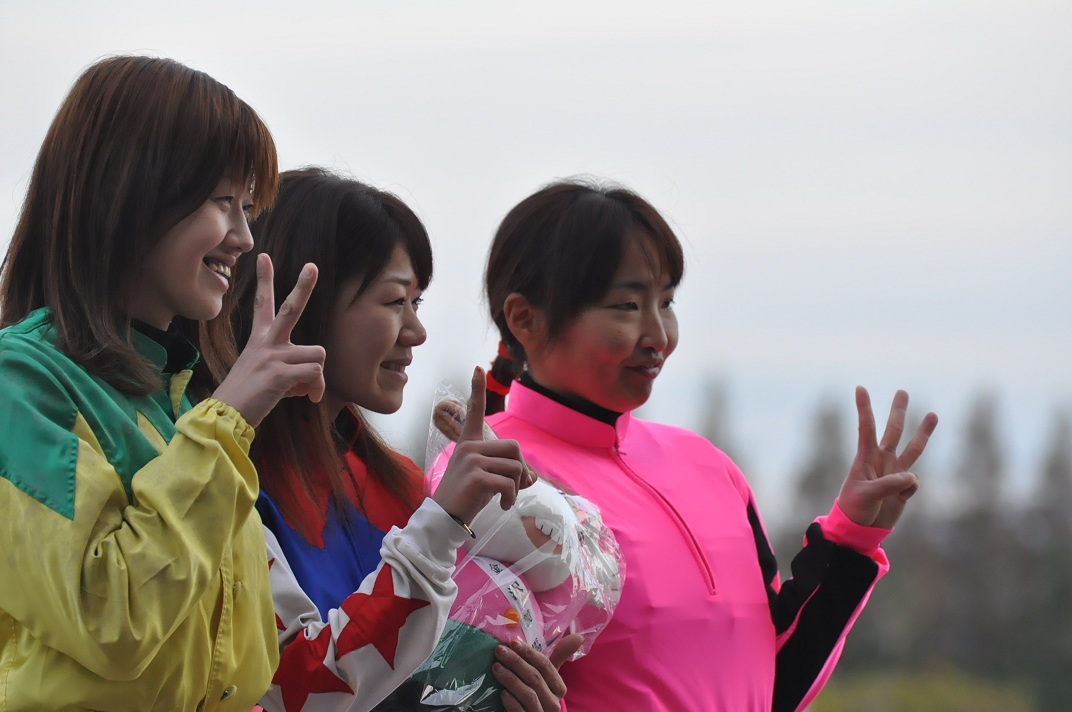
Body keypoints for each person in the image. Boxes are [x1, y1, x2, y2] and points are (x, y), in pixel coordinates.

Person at [459, 178, 940, 712]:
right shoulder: (492, 473)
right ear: (525, 318)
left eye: (666, 302)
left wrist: (852, 537)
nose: (659, 336)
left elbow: (776, 682)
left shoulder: (709, 467)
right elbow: (456, 689)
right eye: (627, 306)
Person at [0, 56, 327, 710]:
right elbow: (111, 616)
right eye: (223, 202)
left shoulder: (182, 402)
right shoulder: (21, 382)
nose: (243, 237)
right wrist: (228, 421)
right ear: (127, 190)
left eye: (249, 208)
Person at [228, 167, 581, 712]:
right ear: (307, 304)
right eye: (396, 302)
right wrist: (443, 524)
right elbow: (294, 688)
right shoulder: (224, 483)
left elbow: (425, 689)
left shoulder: (405, 486)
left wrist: (496, 690)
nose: (416, 332)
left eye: (418, 303)